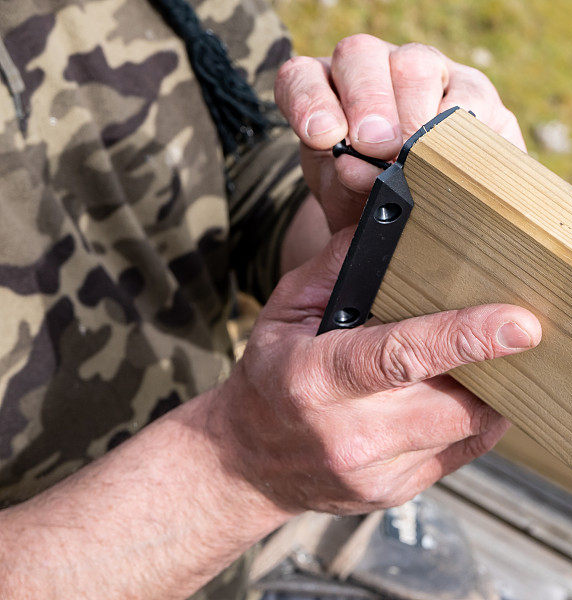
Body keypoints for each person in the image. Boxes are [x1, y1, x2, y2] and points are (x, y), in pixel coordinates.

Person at [0, 0, 541, 597]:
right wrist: (232, 469)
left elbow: (243, 149)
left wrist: (381, 212)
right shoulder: (243, 466)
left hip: (259, 495)